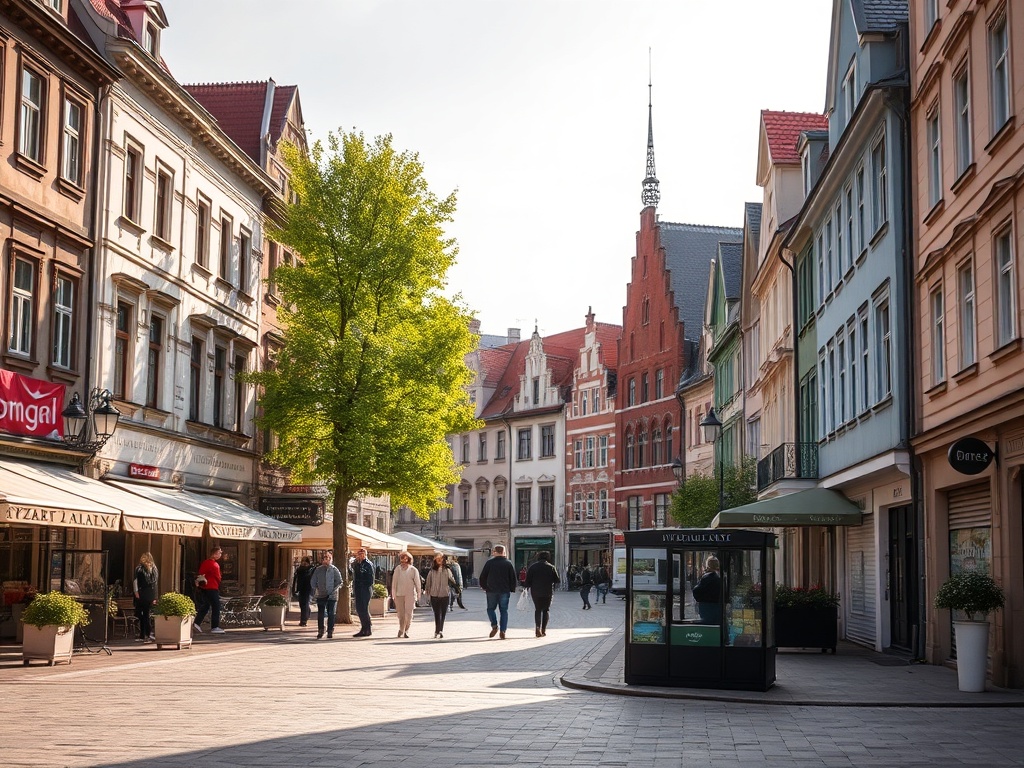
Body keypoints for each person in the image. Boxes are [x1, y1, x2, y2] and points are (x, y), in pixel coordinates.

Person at [478, 544, 518, 639]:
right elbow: (513, 578)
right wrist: (512, 588)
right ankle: (503, 630)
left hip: (491, 590)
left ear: (494, 552)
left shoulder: (489, 563)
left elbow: (482, 576)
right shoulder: (508, 563)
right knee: (504, 611)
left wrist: (484, 587)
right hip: (504, 590)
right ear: (504, 552)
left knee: (490, 609)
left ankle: (494, 625)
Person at [524, 551, 559, 637]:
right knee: (546, 610)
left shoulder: (533, 567)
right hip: (547, 591)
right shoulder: (551, 567)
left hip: (535, 591)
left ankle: (537, 627)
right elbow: (557, 580)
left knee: (538, 609)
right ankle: (543, 630)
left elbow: (527, 581)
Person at [309, 551, 343, 639]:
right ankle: (321, 630)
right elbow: (313, 581)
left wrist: (334, 589)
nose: (326, 561)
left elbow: (339, 581)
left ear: (331, 560)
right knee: (320, 613)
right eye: (325, 559)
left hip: (332, 595)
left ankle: (330, 630)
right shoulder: (318, 570)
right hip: (321, 595)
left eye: (328, 559)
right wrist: (317, 588)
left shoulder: (334, 569)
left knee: (331, 613)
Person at [193, 546, 225, 634]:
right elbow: (203, 574)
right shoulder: (211, 563)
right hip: (211, 587)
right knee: (216, 605)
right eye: (219, 553)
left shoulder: (209, 563)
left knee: (206, 605)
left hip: (208, 587)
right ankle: (215, 626)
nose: (220, 554)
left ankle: (197, 623)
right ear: (214, 554)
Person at [391, 551, 420, 638]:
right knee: (401, 614)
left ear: (408, 560)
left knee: (409, 614)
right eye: (402, 559)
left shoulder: (413, 570)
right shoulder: (397, 569)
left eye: (405, 559)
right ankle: (401, 629)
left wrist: (418, 593)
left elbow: (417, 583)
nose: (403, 561)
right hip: (399, 594)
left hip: (410, 595)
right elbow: (394, 583)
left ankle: (406, 630)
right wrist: (393, 594)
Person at [424, 553, 452, 639]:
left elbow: (452, 580)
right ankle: (437, 630)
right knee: (437, 613)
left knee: (443, 614)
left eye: (441, 558)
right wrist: (427, 592)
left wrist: (457, 588)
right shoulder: (432, 571)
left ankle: (441, 630)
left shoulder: (447, 570)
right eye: (437, 558)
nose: (439, 560)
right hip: (434, 594)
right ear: (435, 560)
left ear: (443, 560)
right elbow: (428, 582)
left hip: (444, 594)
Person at [133, 552, 158, 642]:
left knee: (141, 614)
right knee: (146, 614)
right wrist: (155, 596)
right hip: (150, 595)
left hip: (142, 593)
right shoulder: (154, 569)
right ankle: (145, 634)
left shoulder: (139, 569)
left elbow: (135, 581)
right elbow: (155, 584)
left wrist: (136, 592)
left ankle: (146, 634)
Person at [350, 547, 376, 637]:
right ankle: (363, 628)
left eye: (362, 554)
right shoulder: (357, 564)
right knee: (359, 609)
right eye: (359, 554)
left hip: (365, 589)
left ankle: (367, 629)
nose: (360, 556)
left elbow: (370, 579)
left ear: (365, 554)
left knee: (364, 609)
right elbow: (352, 571)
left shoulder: (368, 564)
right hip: (358, 588)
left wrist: (364, 585)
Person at [691, 556, 722, 624]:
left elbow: (696, 591)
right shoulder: (720, 577)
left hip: (706, 608)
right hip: (718, 608)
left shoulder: (706, 577)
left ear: (708, 565)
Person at [291, 556, 314, 627]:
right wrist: (294, 589)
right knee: (302, 604)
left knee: (305, 603)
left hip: (308, 588)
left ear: (308, 562)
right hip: (300, 589)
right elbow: (295, 580)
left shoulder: (311, 569)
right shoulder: (299, 570)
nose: (304, 563)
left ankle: (303, 621)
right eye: (303, 561)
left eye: (305, 561)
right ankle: (307, 614)